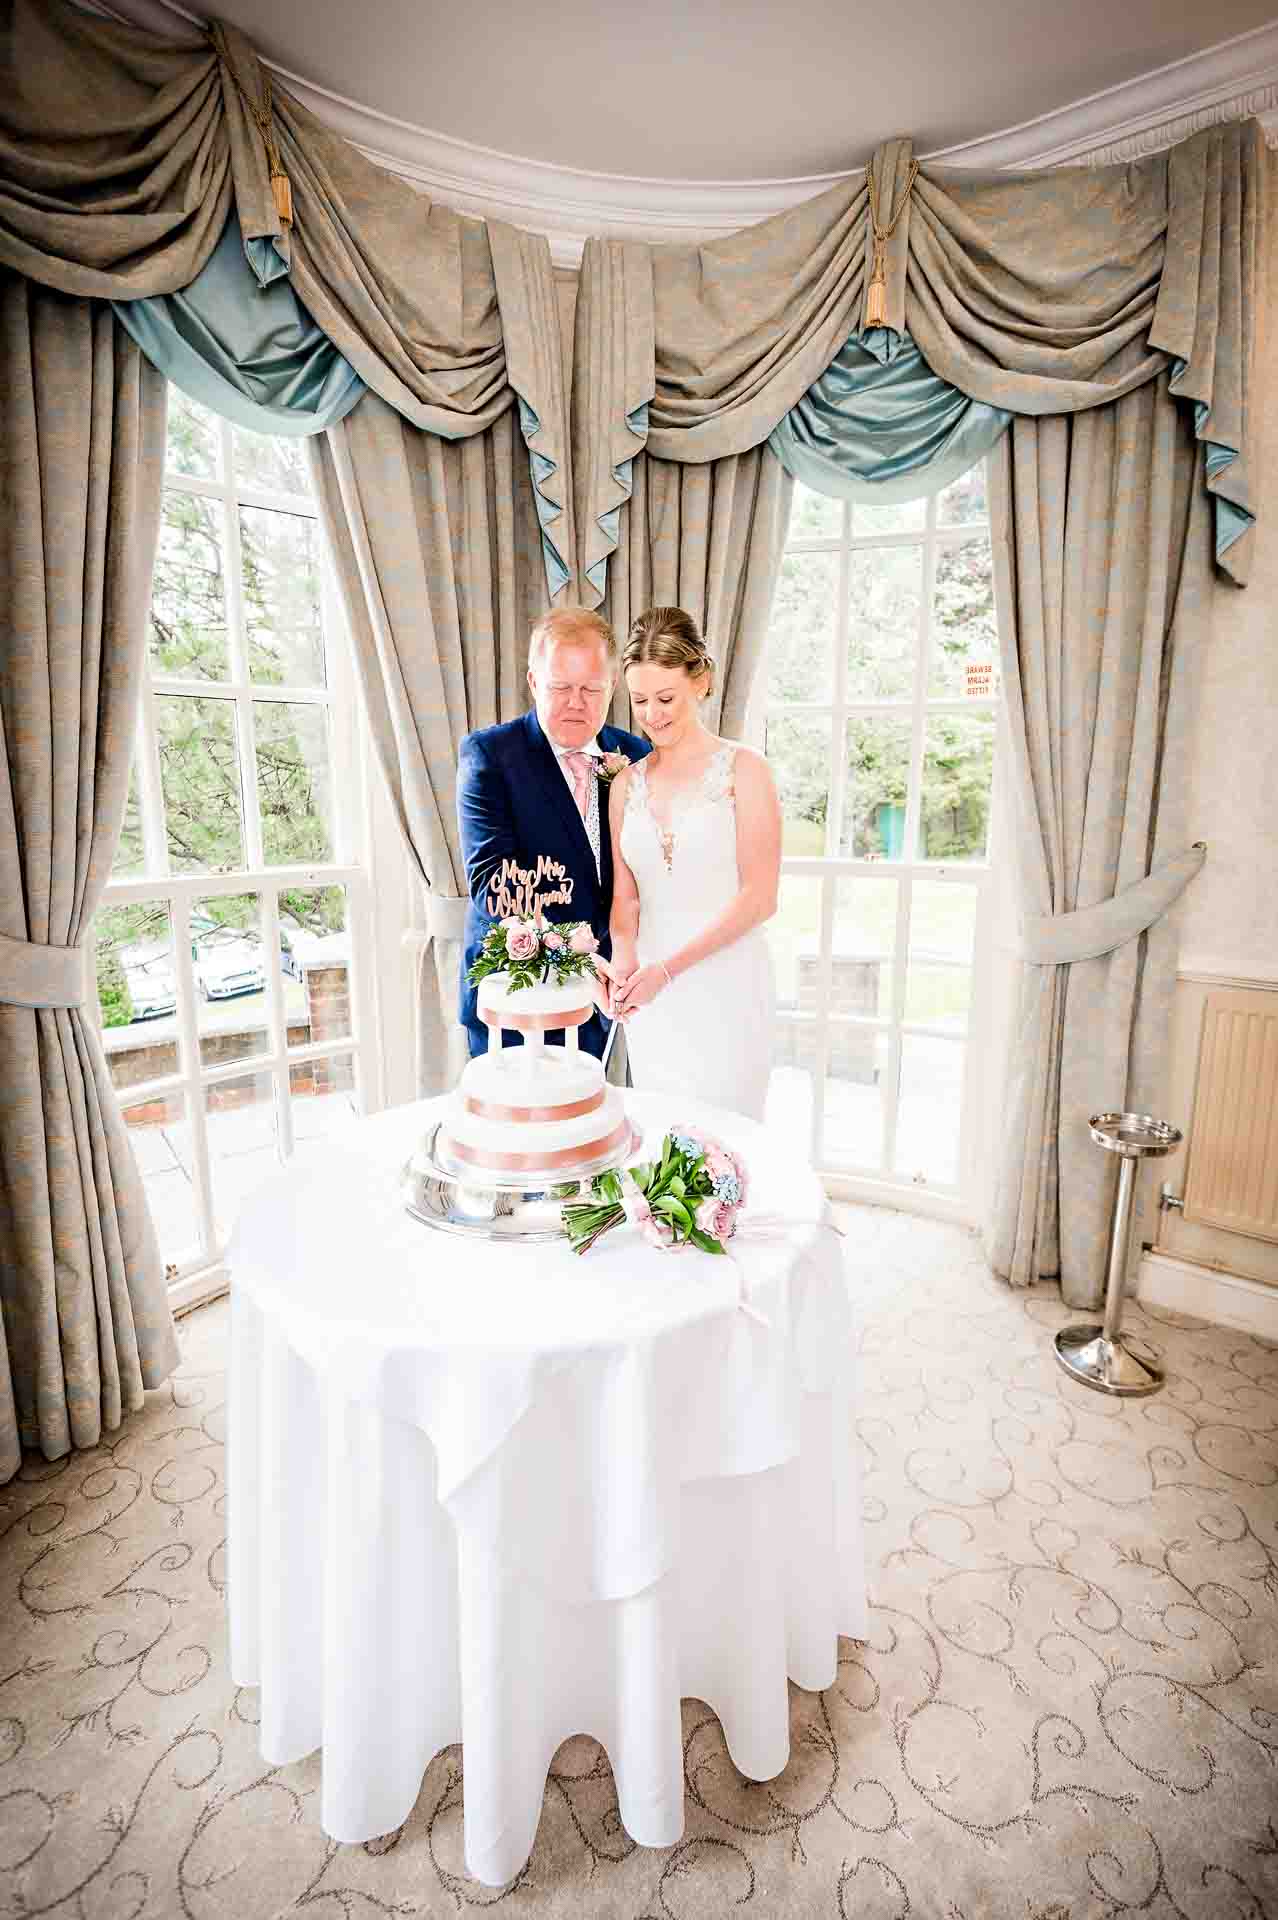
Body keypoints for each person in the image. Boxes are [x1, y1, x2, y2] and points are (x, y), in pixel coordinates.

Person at [607, 607, 781, 1120]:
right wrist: (623, 965)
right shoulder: (624, 785)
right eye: (639, 701)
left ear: (700, 682)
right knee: (661, 1139)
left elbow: (760, 897)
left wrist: (669, 969)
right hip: (654, 999)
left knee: (727, 1141)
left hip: (727, 984)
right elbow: (626, 896)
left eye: (666, 698)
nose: (652, 715)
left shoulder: (745, 771)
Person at [456, 607, 651, 1060]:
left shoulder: (636, 755)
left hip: (608, 999)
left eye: (591, 689)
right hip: (518, 994)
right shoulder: (489, 756)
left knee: (593, 1122)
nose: (576, 703)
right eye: (561, 687)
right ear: (533, 681)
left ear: (613, 687)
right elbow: (493, 885)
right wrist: (581, 957)